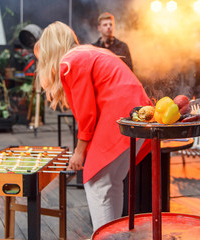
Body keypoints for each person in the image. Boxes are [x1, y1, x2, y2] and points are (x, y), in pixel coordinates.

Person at [34, 21, 152, 232]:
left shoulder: (70, 61)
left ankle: (104, 236)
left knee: (97, 183)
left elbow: (86, 114)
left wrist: (79, 152)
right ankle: (112, 235)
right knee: (112, 182)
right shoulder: (88, 52)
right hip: (137, 115)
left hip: (119, 115)